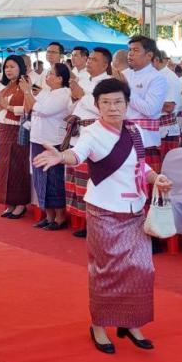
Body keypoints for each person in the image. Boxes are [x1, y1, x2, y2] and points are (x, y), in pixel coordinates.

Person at [33, 78, 172, 354]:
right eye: (105, 102)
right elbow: (78, 154)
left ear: (127, 104)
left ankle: (130, 322)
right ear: (97, 106)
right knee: (106, 271)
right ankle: (99, 325)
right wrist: (61, 157)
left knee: (141, 269)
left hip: (134, 210)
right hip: (104, 211)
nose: (112, 107)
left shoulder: (134, 131)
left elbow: (140, 167)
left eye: (118, 102)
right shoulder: (92, 133)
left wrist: (157, 178)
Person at [66, 47, 111, 237]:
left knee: (91, 180)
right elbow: (72, 106)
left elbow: (102, 108)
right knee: (77, 179)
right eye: (90, 59)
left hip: (95, 135)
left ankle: (95, 222)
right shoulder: (83, 80)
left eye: (94, 59)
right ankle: (83, 220)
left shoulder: (108, 83)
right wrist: (75, 97)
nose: (90, 62)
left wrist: (81, 95)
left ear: (105, 64)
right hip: (78, 133)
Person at [30, 61, 73, 230]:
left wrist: (27, 92)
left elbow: (43, 111)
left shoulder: (64, 93)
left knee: (54, 180)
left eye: (50, 74)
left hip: (53, 141)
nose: (47, 76)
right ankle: (48, 216)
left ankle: (60, 217)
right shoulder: (47, 92)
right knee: (40, 178)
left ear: (60, 78)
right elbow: (33, 108)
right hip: (38, 139)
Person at [123, 36, 169, 174]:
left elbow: (150, 109)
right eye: (130, 50)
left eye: (136, 50)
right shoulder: (125, 74)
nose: (130, 54)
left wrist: (125, 89)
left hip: (146, 141)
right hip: (122, 138)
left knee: (145, 183)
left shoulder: (157, 78)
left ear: (149, 55)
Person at [0, 54, 32, 219]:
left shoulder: (26, 84)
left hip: (17, 128)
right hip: (3, 128)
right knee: (4, 166)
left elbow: (28, 108)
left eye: (12, 67)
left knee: (17, 165)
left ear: (20, 68)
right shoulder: (6, 86)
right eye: (6, 67)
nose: (8, 70)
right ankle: (9, 202)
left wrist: (7, 107)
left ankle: (20, 203)